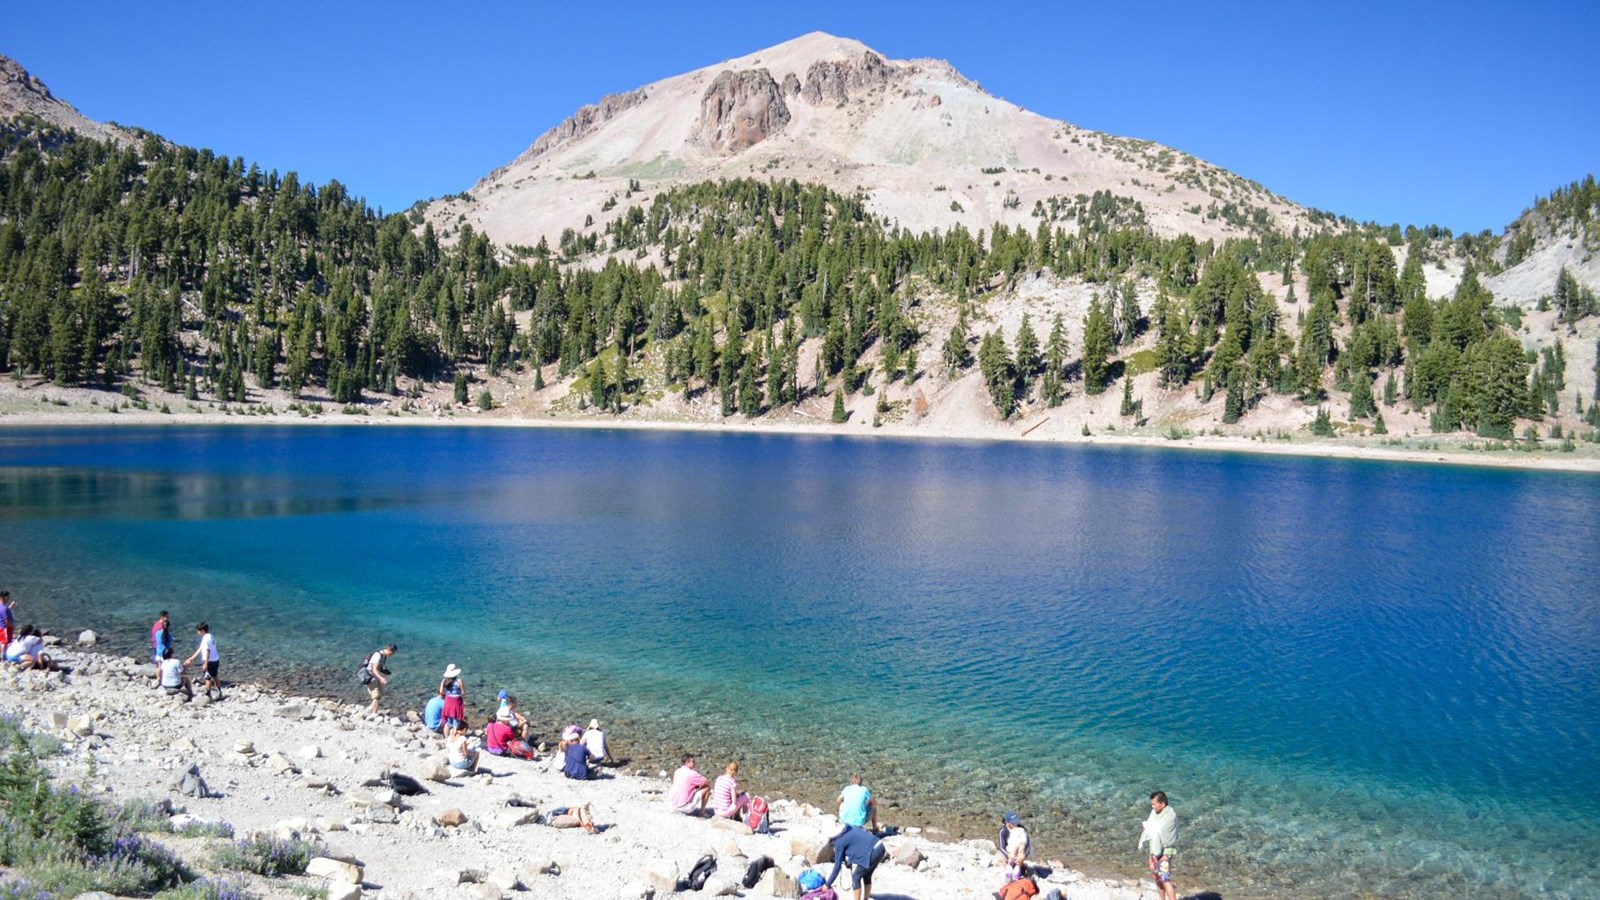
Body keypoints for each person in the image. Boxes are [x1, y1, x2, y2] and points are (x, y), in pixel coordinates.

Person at [825, 823, 887, 900]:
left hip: (873, 851)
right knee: (867, 875)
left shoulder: (839, 842)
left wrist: (827, 884)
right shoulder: (850, 828)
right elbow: (855, 844)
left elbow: (837, 867)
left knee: (856, 877)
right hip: (880, 846)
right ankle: (866, 898)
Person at [1138, 791, 1178, 900]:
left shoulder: (1170, 816)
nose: (1152, 806)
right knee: (1157, 879)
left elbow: (1166, 835)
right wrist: (1151, 857)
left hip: (1166, 852)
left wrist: (1165, 856)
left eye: (1154, 804)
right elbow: (1152, 834)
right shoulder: (1154, 813)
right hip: (1155, 852)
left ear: (1163, 803)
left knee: (1165, 879)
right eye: (1152, 804)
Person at [183, 622, 221, 700]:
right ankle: (220, 692)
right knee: (215, 675)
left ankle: (208, 694)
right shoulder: (211, 636)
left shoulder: (205, 639)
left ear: (202, 630)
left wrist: (205, 664)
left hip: (209, 661)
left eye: (198, 631)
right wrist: (192, 658)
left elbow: (207, 650)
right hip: (215, 659)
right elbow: (201, 648)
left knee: (207, 677)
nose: (198, 633)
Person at [365, 644, 397, 714]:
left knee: (381, 693)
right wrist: (381, 678)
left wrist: (384, 672)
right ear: (389, 650)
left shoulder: (384, 656)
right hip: (370, 677)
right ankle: (374, 713)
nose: (392, 655)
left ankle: (370, 708)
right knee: (376, 695)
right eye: (392, 653)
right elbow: (373, 669)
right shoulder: (378, 655)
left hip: (376, 676)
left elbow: (379, 668)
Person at [1000, 811, 1031, 879]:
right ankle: (1012, 867)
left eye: (1016, 821)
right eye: (1013, 822)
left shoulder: (1021, 829)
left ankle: (1018, 868)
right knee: (1013, 847)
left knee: (1021, 843)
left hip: (1020, 851)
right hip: (1009, 852)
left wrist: (1023, 855)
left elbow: (1028, 845)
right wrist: (1009, 855)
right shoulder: (1003, 831)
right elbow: (1002, 847)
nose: (1016, 823)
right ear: (1007, 823)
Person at [438, 664, 466, 730]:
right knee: (456, 721)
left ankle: (447, 737)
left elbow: (441, 692)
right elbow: (463, 693)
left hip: (448, 702)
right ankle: (454, 737)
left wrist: (449, 693)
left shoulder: (444, 681)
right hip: (456, 702)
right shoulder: (459, 681)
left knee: (448, 722)